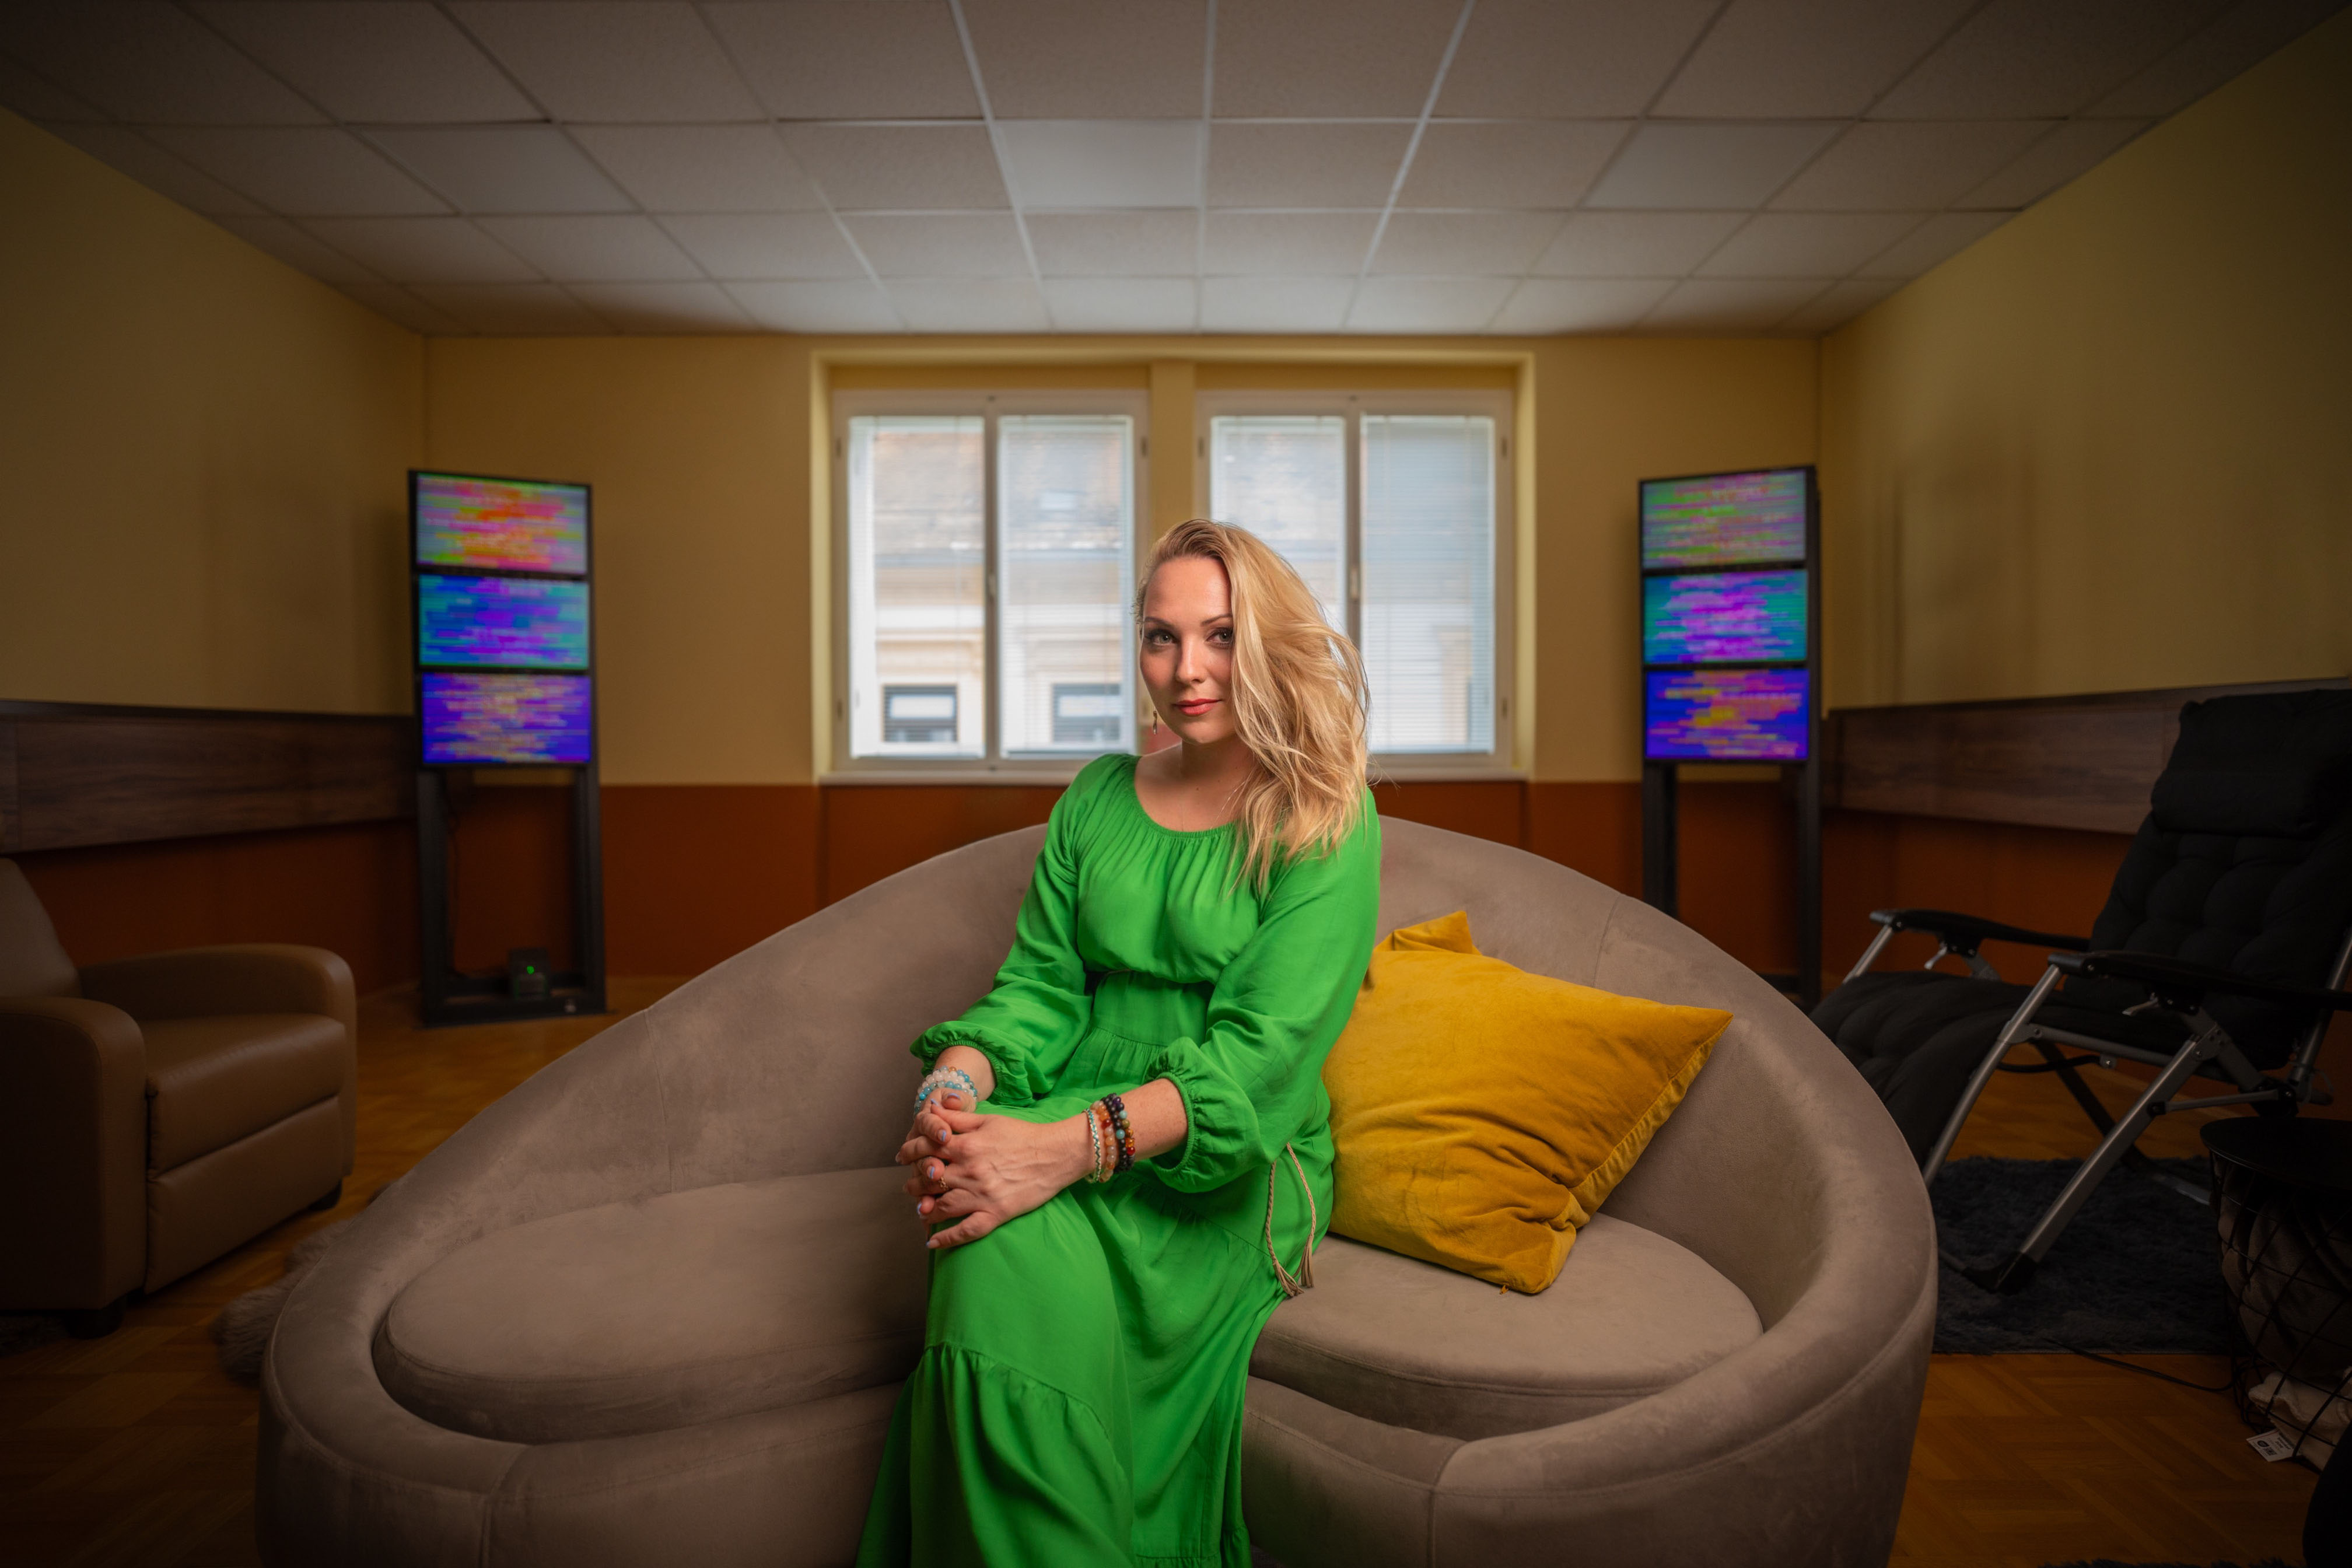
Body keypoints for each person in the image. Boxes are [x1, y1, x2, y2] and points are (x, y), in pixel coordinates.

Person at [855, 519, 1382, 1567]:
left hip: (1225, 1156)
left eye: (1221, 635)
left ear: (1266, 642)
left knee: (991, 1236)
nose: (1187, 669)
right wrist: (952, 1092)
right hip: (1069, 1107)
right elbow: (1039, 992)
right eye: (1160, 636)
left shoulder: (1326, 816)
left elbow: (1258, 1065)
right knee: (981, 1235)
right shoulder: (1097, 796)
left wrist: (1060, 1150)